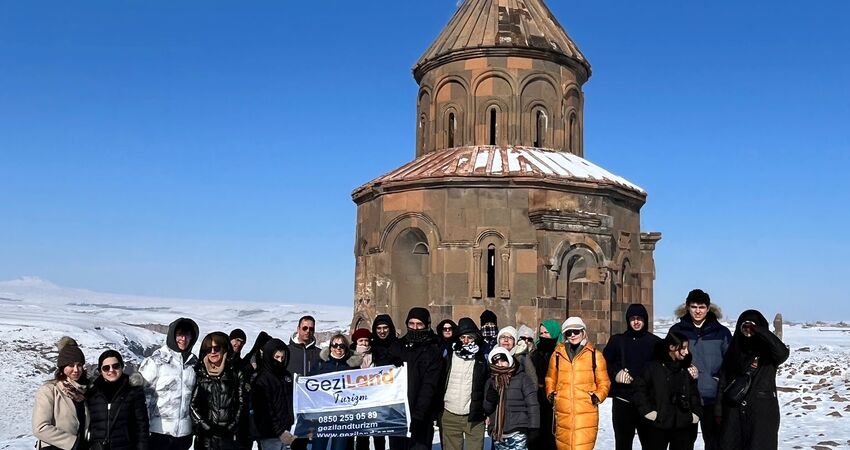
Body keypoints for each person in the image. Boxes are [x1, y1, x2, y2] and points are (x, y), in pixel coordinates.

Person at [717, 310, 789, 450]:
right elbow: (723, 382)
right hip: (733, 412)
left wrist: (758, 330)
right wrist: (718, 412)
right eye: (745, 327)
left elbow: (782, 353)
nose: (748, 331)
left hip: (761, 413)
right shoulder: (734, 351)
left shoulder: (769, 353)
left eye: (752, 327)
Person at [668, 289, 731, 450]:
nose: (697, 311)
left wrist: (718, 380)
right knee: (682, 443)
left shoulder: (722, 333)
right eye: (694, 306)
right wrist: (683, 371)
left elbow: (730, 364)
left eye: (701, 307)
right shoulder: (677, 331)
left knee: (714, 443)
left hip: (713, 398)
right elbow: (668, 360)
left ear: (708, 308)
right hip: (685, 397)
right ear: (687, 307)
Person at [603, 303, 662, 450]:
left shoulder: (655, 343)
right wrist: (616, 374)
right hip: (624, 401)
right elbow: (603, 364)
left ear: (645, 320)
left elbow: (665, 367)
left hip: (647, 402)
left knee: (651, 444)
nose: (636, 322)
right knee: (623, 444)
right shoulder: (617, 341)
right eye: (633, 318)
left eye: (640, 318)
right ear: (628, 320)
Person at [545, 317, 610, 450]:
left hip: (586, 413)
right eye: (569, 333)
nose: (573, 335)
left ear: (583, 332)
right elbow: (550, 378)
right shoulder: (557, 355)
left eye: (576, 331)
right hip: (563, 412)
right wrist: (551, 393)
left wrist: (597, 396)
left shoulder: (595, 355)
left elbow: (604, 381)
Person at [388, 307, 446, 450]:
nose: (415, 328)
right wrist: (390, 363)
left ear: (426, 325)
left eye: (419, 324)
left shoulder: (433, 349)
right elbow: (384, 375)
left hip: (421, 415)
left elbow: (430, 385)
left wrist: (419, 414)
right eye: (411, 324)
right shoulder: (398, 346)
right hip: (398, 413)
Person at [633, 332, 702, 450]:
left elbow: (694, 393)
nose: (686, 352)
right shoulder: (653, 367)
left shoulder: (686, 368)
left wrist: (695, 412)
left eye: (687, 348)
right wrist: (648, 411)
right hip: (658, 424)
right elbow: (639, 390)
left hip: (683, 424)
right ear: (672, 347)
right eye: (683, 348)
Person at [139, 317, 199, 450]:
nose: (183, 339)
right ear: (172, 335)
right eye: (179, 334)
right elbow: (142, 397)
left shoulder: (193, 364)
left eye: (187, 335)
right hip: (159, 432)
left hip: (184, 434)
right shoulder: (156, 361)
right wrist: (143, 430)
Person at [439, 317, 487, 450]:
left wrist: (486, 410)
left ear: (475, 338)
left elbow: (487, 385)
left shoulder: (482, 358)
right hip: (450, 413)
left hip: (474, 415)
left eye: (470, 337)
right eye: (463, 337)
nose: (466, 341)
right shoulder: (448, 354)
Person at [33, 336, 89, 450]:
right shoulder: (49, 390)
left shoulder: (85, 392)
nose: (76, 370)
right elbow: (40, 428)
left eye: (79, 365)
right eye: (71, 365)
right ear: (62, 367)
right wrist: (73, 443)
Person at [86, 349, 149, 450]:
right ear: (100, 371)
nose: (111, 370)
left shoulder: (133, 391)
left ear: (122, 367)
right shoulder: (92, 392)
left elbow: (142, 426)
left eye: (116, 366)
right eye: (106, 368)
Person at [191, 332, 244, 450]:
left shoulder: (235, 373)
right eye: (208, 349)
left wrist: (231, 426)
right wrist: (205, 426)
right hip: (205, 439)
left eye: (217, 348)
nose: (213, 352)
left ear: (225, 348)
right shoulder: (199, 373)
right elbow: (192, 405)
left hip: (228, 438)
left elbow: (241, 403)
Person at [310, 334, 362, 450]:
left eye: (342, 345)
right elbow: (309, 385)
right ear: (330, 347)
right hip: (322, 416)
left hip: (343, 417)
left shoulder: (352, 367)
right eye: (335, 345)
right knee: (318, 447)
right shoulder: (320, 364)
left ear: (346, 348)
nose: (338, 348)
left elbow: (359, 389)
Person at [483, 347, 540, 450]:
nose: (500, 365)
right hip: (499, 432)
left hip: (518, 429)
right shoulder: (490, 382)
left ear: (509, 360)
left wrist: (534, 427)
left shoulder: (522, 378)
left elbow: (532, 405)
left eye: (503, 361)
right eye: (496, 362)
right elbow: (487, 409)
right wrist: (490, 399)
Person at [251, 339, 297, 450]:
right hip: (270, 435)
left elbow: (292, 402)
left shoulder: (286, 376)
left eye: (282, 357)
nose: (280, 361)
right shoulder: (262, 379)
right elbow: (264, 411)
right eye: (277, 357)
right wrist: (280, 431)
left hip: (289, 432)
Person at [287, 316, 320, 450]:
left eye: (311, 329)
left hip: (312, 409)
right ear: (298, 329)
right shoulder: (287, 351)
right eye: (304, 328)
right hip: (291, 408)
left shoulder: (319, 354)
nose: (308, 331)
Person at [528, 320, 561, 450]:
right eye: (541, 333)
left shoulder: (560, 353)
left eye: (547, 332)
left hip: (554, 403)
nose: (543, 336)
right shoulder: (535, 353)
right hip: (536, 402)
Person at [369, 314, 398, 450]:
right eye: (379, 328)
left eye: (385, 327)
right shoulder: (371, 347)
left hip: (394, 397)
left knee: (395, 433)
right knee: (378, 433)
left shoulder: (398, 345)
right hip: (376, 397)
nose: (382, 331)